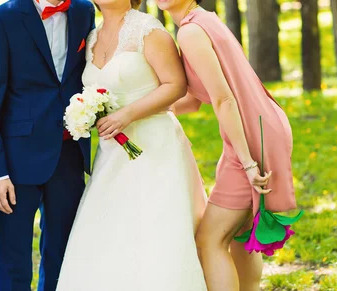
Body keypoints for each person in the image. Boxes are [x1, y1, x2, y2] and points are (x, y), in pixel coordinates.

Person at [54, 2, 208, 290]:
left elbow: (175, 85)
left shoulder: (148, 29)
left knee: (153, 228)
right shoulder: (91, 37)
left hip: (154, 144)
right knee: (111, 230)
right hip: (113, 152)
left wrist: (127, 114)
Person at [158, 1, 298, 290]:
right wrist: (145, 110)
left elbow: (224, 99)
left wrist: (247, 162)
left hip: (250, 134)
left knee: (210, 240)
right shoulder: (205, 20)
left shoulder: (190, 32)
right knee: (241, 233)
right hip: (258, 126)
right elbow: (195, 101)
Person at [0, 0, 95, 289]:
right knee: (14, 257)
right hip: (16, 158)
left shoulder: (84, 10)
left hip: (69, 152)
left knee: (61, 251)